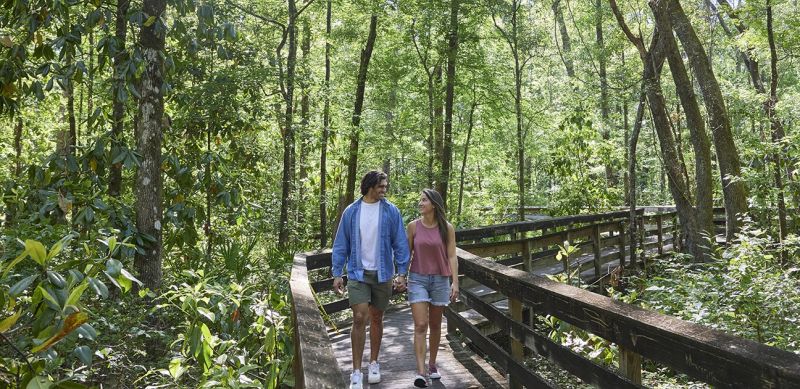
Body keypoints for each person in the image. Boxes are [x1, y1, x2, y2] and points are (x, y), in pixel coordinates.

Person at [332, 170, 410, 389]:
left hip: (383, 273)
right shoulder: (352, 212)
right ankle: (356, 371)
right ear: (369, 186)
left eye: (385, 186)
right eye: (381, 186)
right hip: (357, 272)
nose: (384, 190)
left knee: (376, 318)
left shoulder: (391, 211)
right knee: (359, 317)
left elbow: (400, 244)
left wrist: (402, 273)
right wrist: (337, 272)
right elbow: (341, 244)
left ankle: (373, 363)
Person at [406, 189, 459, 388]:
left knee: (435, 325)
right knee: (421, 324)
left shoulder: (447, 228)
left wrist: (456, 282)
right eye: (419, 200)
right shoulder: (413, 227)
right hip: (417, 278)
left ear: (434, 205)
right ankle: (420, 372)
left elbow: (452, 256)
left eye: (423, 200)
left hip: (440, 279)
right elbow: (406, 254)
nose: (420, 203)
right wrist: (401, 275)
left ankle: (432, 364)